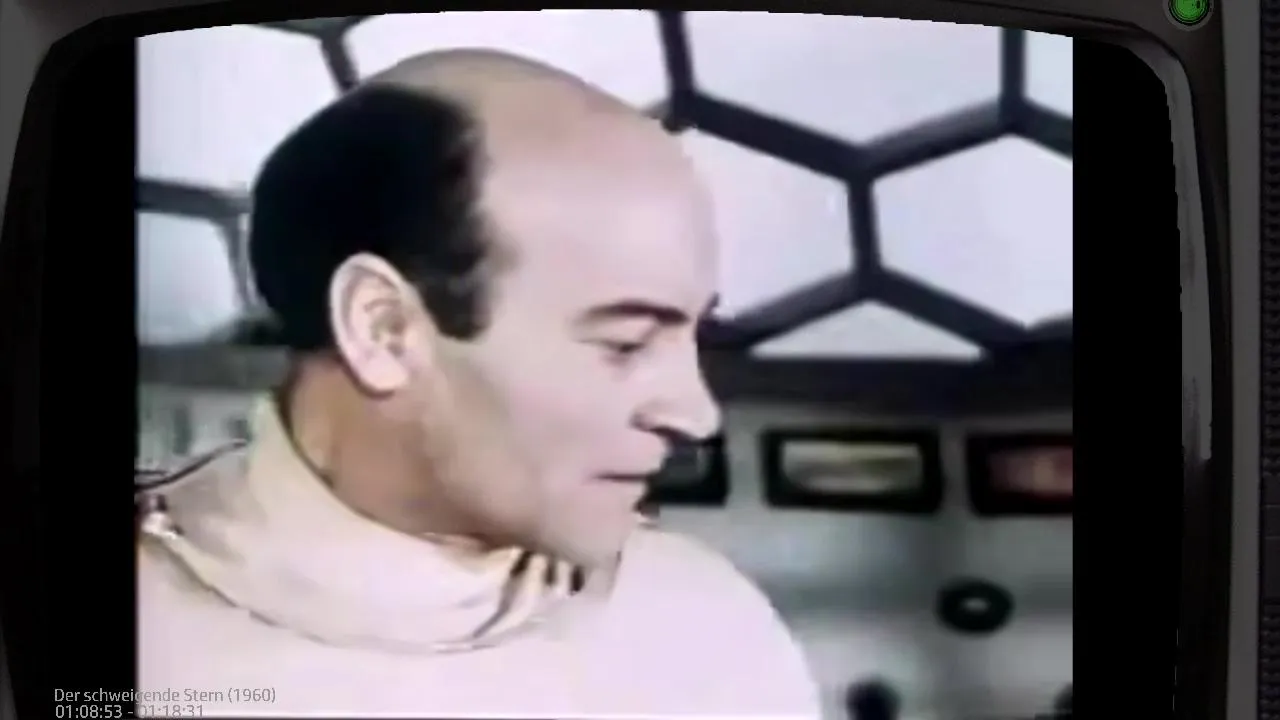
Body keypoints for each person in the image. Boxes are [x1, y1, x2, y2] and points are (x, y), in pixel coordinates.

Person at [136, 49, 820, 718]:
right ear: (383, 329)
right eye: (627, 343)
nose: (697, 415)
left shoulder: (709, 633)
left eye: (694, 336)